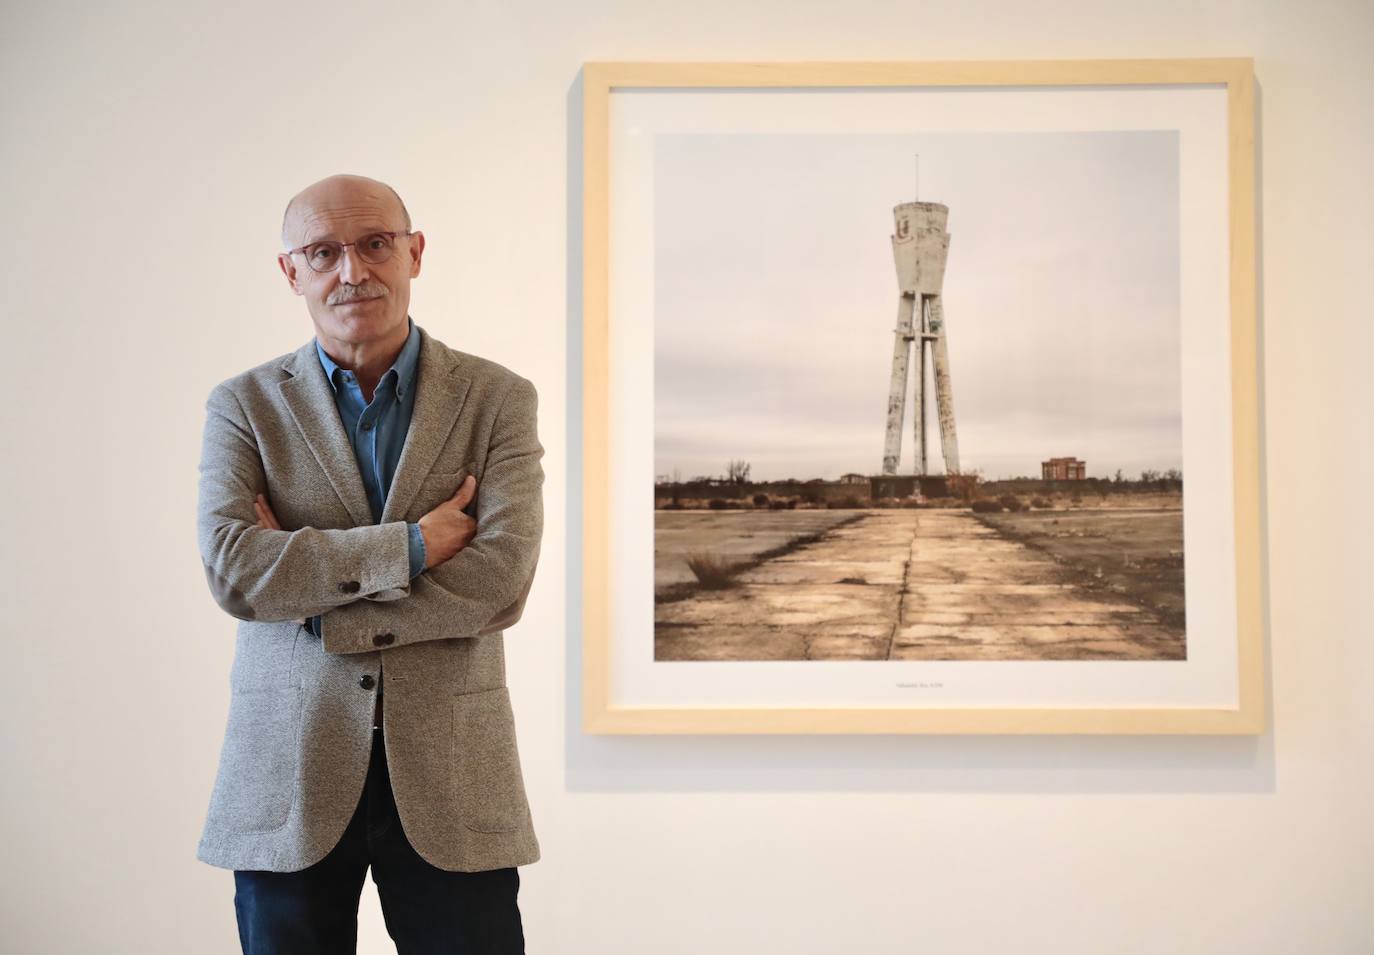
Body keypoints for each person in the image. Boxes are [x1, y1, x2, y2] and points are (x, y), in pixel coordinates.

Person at [195, 173, 543, 953]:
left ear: (414, 253)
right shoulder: (243, 405)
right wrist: (413, 546)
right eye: (323, 252)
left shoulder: (496, 398)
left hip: (453, 775)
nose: (352, 271)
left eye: (375, 244)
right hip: (291, 768)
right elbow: (234, 570)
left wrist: (315, 599)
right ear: (293, 272)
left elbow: (501, 579)